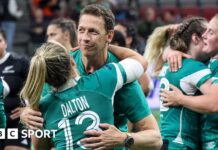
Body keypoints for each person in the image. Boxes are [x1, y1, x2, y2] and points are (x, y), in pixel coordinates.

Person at [20, 4, 162, 150]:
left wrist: (123, 138)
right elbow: (41, 141)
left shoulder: (118, 75)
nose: (84, 38)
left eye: (93, 32)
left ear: (109, 36)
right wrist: (29, 114)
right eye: (81, 30)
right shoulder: (59, 66)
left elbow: (156, 139)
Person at [20, 41, 147, 149]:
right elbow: (141, 62)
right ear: (72, 61)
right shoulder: (102, 81)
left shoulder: (41, 107)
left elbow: (40, 148)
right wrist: (105, 45)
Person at [160, 14, 218, 150]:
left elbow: (215, 103)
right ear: (195, 38)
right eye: (205, 31)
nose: (205, 36)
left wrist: (181, 99)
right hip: (182, 143)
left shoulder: (179, 64)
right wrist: (173, 51)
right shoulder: (195, 65)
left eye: (211, 32)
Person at [0, 28, 30, 150]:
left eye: (0, 40)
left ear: (6, 43)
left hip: (16, 121)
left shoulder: (20, 62)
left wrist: (29, 107)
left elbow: (36, 86)